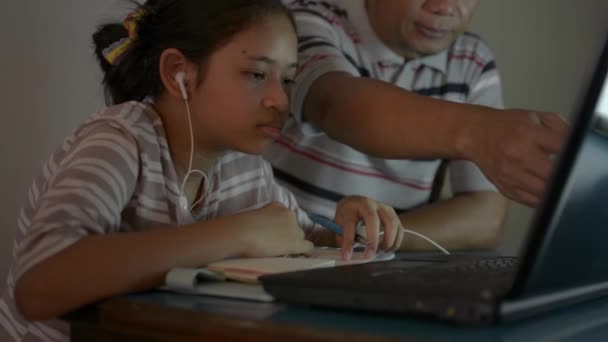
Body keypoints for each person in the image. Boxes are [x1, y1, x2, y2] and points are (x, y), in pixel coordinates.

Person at [0, 1, 404, 341]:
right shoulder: (119, 143)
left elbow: (294, 231)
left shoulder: (246, 168)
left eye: (288, 79)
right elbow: (38, 284)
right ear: (179, 73)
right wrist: (237, 234)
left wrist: (346, 221)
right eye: (256, 75)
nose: (280, 100)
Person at [265, 0, 568, 250]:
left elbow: (485, 219)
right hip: (281, 255)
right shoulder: (303, 22)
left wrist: (366, 238)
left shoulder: (472, 61)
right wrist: (479, 132)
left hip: (375, 266)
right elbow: (339, 107)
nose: (444, 7)